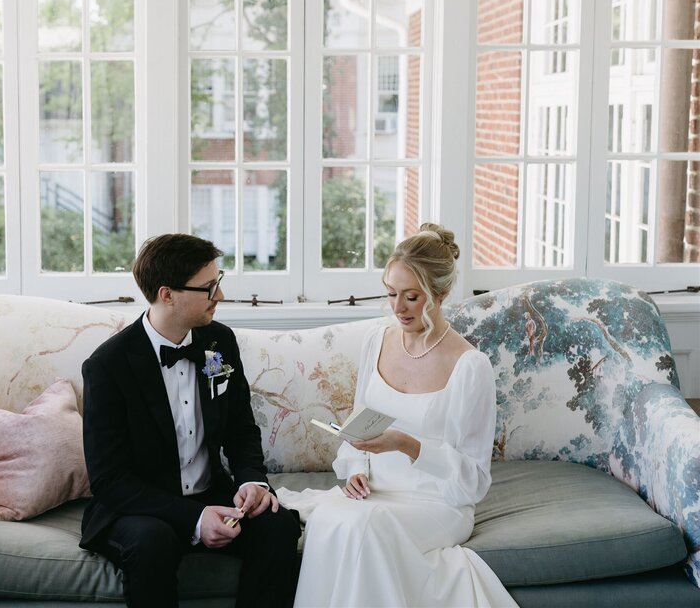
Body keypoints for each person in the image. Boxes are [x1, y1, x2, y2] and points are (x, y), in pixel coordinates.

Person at [278, 223, 517, 607]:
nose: (397, 308)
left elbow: (473, 481)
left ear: (440, 293)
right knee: (330, 521)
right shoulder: (377, 341)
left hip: (437, 503)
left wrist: (405, 444)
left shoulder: (471, 366)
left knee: (365, 529)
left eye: (411, 296)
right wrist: (356, 468)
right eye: (391, 294)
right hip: (374, 493)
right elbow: (359, 424)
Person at [80, 233, 301, 608]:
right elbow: (109, 480)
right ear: (167, 295)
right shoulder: (107, 367)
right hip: (138, 508)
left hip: (211, 491)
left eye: (219, 282)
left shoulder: (218, 343)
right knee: (153, 543)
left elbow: (240, 427)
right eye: (209, 287)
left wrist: (251, 480)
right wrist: (196, 518)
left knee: (278, 525)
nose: (220, 296)